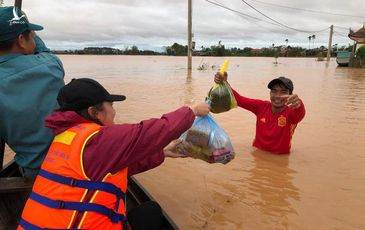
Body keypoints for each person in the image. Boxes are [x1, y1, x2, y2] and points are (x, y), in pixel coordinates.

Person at [19, 78, 210, 229]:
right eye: (110, 105)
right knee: (151, 212)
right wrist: (191, 111)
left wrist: (162, 153)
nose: (114, 111)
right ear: (94, 112)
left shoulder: (65, 137)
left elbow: (110, 170)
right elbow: (153, 131)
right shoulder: (98, 139)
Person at [0, 6, 65, 176]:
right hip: (69, 161)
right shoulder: (51, 64)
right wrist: (25, 22)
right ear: (22, 40)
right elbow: (42, 50)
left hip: (33, 171)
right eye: (32, 34)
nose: (35, 37)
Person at [214, 73, 305, 154]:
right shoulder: (261, 106)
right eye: (274, 91)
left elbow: (300, 113)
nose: (278, 96)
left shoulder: (292, 113)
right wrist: (225, 83)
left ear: (291, 95)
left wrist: (299, 103)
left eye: (283, 92)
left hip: (280, 158)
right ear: (270, 93)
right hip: (257, 153)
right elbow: (239, 100)